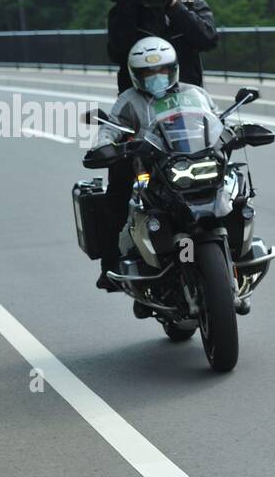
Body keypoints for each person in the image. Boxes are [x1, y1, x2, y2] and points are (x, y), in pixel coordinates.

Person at [93, 36, 221, 292]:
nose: (156, 75)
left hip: (195, 159)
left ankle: (238, 257)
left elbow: (218, 120)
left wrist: (236, 132)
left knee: (236, 193)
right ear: (136, 74)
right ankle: (120, 264)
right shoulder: (130, 99)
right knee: (126, 205)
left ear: (173, 69)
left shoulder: (195, 93)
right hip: (154, 168)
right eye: (148, 72)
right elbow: (111, 128)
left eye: (162, 69)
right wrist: (103, 145)